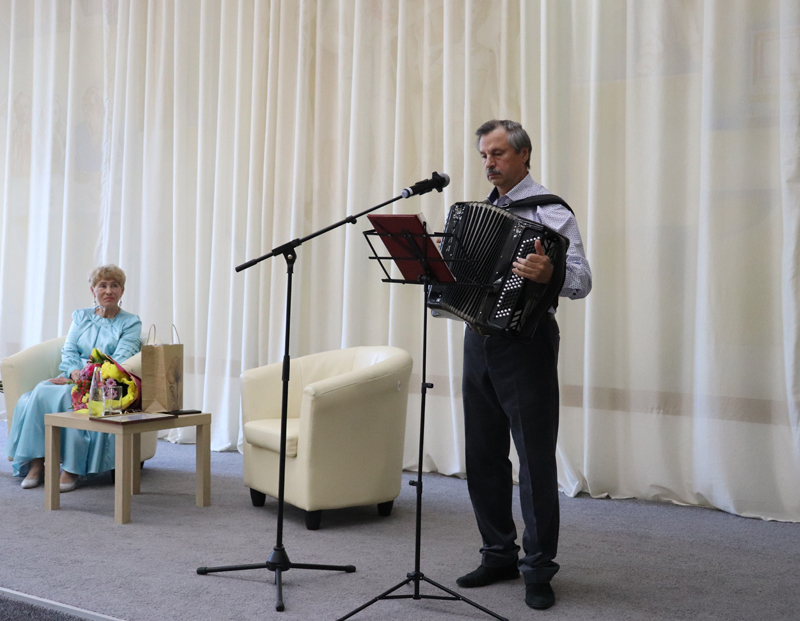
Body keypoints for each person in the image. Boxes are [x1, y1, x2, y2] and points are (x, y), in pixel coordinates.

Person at [456, 120, 592, 610]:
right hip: (478, 340)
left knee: (534, 460)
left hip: (527, 342)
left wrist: (549, 272)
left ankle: (538, 569)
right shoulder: (480, 212)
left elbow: (581, 281)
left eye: (497, 154)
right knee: (483, 455)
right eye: (484, 156)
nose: (489, 163)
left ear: (523, 154)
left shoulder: (549, 211)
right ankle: (498, 554)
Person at [6, 265, 142, 492]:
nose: (109, 290)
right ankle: (37, 463)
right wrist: (73, 373)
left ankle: (72, 468)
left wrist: (85, 379)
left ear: (122, 290)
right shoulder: (81, 316)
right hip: (72, 375)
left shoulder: (131, 322)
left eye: (114, 285)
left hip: (103, 382)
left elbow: (119, 359)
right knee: (41, 389)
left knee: (65, 395)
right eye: (102, 285)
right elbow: (69, 350)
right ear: (93, 290)